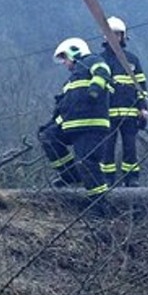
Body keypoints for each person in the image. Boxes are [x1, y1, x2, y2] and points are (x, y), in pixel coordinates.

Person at [37, 37, 113, 200]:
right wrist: (51, 125)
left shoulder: (92, 60)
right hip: (72, 125)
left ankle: (99, 204)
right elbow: (65, 107)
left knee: (87, 163)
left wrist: (94, 89)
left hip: (91, 125)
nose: (64, 63)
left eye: (65, 58)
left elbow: (103, 71)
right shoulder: (72, 79)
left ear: (74, 51)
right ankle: (70, 175)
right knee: (48, 137)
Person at [100, 16, 148, 187]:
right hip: (107, 113)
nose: (114, 37)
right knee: (107, 148)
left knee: (130, 147)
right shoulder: (100, 60)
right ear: (105, 36)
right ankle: (108, 179)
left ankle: (132, 178)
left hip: (130, 112)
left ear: (123, 37)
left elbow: (141, 87)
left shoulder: (133, 60)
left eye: (117, 34)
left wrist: (143, 107)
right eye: (111, 34)